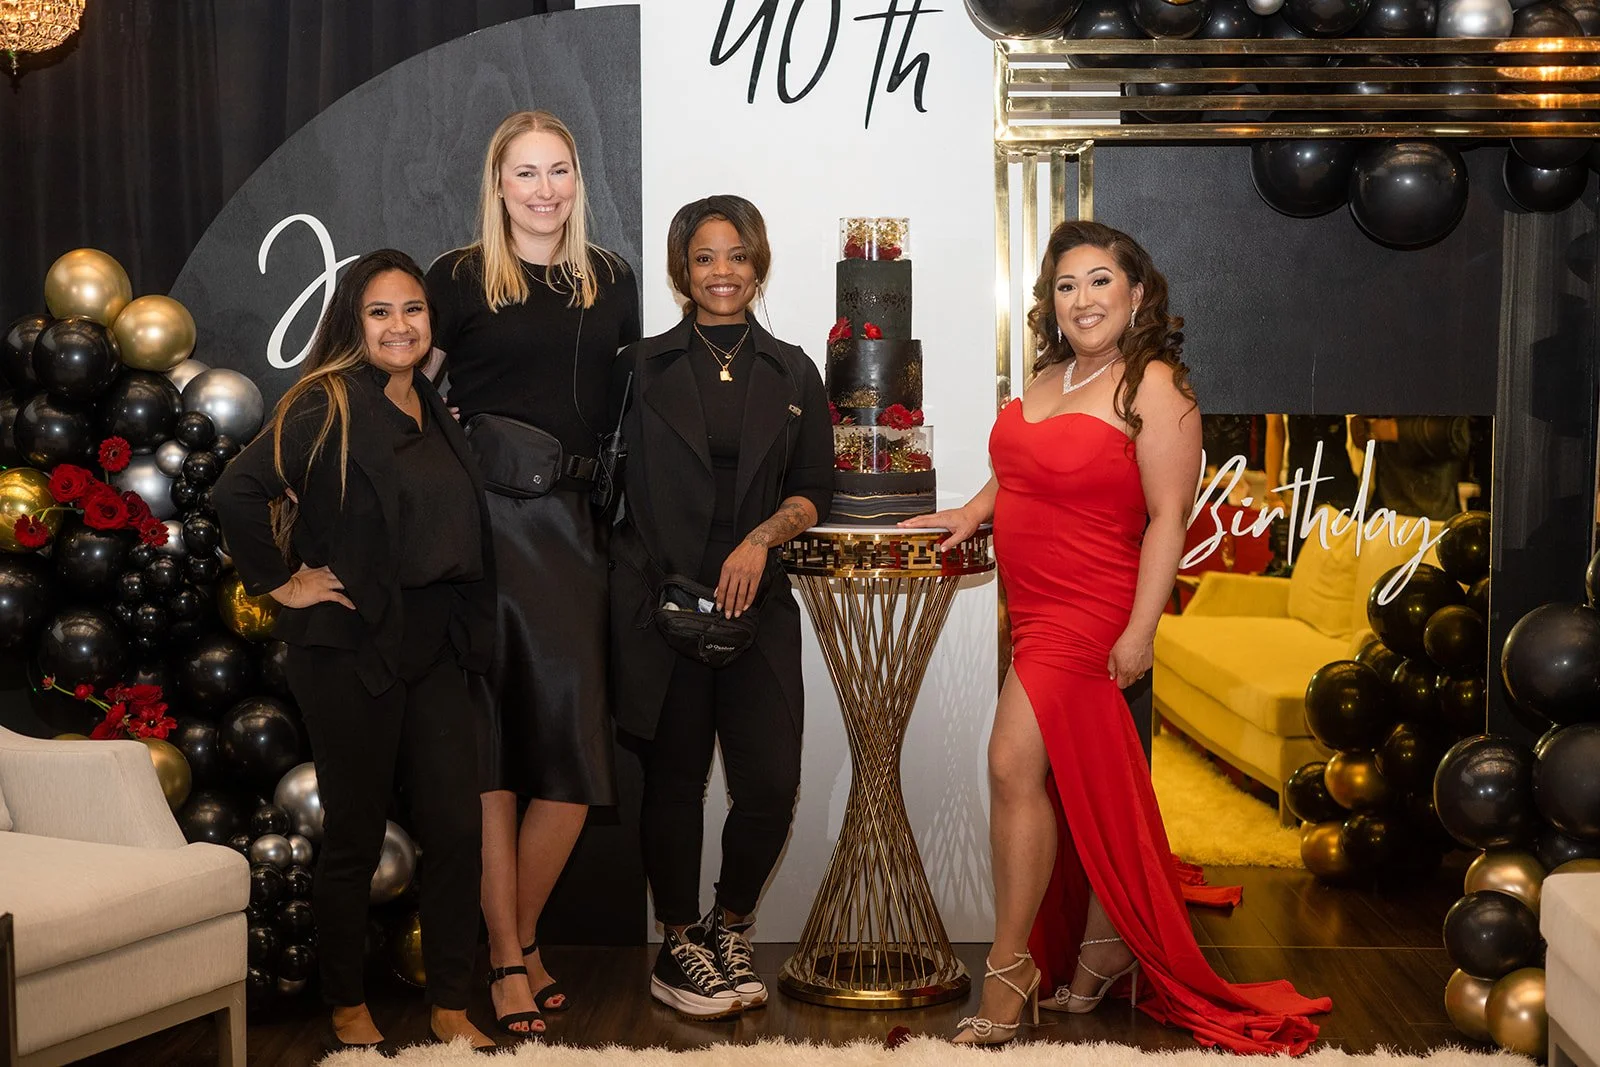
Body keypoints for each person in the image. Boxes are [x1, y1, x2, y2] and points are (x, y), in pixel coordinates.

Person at [904, 221, 1331, 1053]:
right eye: (1067, 285)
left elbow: (1170, 518)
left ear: (1137, 294)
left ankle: (1009, 965)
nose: (1083, 298)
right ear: (1050, 304)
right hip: (1032, 606)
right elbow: (1020, 466)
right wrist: (971, 511)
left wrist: (1142, 629)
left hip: (1096, 606)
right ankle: (1102, 949)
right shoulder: (1050, 376)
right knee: (1089, 788)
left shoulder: (1156, 385)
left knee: (1007, 762)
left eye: (1100, 280)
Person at [214, 249, 497, 1052]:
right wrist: (281, 582)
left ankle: (449, 1002)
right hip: (350, 647)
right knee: (356, 833)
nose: (400, 325)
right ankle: (345, 1003)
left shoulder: (433, 406)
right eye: (380, 312)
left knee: (455, 828)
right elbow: (238, 487)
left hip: (438, 640)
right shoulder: (326, 402)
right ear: (354, 322)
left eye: (412, 309)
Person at [424, 110, 640, 1037]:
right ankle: (511, 961)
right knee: (494, 750)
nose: (544, 189)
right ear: (498, 183)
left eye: (558, 171)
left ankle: (514, 939)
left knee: (571, 758)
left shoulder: (614, 282)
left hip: (579, 530)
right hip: (489, 532)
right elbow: (412, 391)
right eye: (525, 173)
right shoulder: (459, 277)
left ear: (577, 181)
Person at [609, 195, 832, 1020]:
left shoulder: (793, 369)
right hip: (660, 604)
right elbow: (610, 484)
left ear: (758, 262)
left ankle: (729, 924)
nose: (723, 272)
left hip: (757, 603)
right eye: (704, 257)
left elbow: (816, 488)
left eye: (737, 255)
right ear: (682, 270)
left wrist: (762, 538)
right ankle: (676, 943)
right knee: (672, 783)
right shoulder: (639, 366)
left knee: (770, 784)